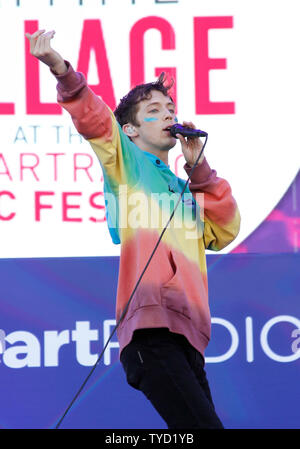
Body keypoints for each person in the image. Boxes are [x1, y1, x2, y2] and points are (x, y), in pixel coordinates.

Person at [26, 29, 241, 429]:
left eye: (170, 108)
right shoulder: (127, 166)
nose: (169, 116)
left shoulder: (187, 190)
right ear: (131, 131)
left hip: (189, 339)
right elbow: (95, 119)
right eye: (154, 111)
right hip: (151, 335)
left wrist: (201, 171)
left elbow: (225, 231)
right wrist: (60, 69)